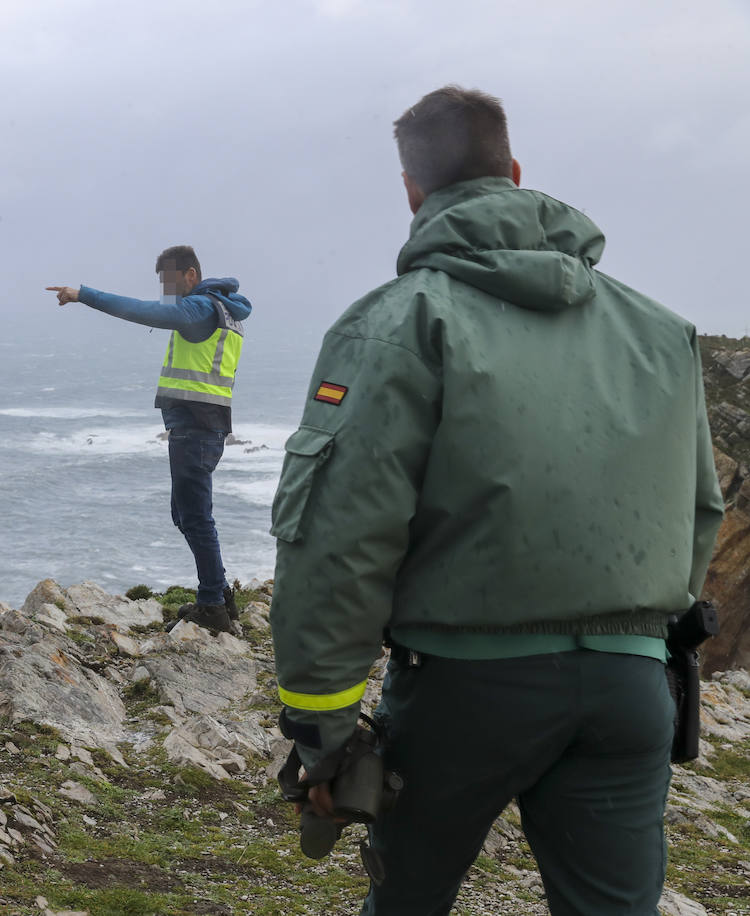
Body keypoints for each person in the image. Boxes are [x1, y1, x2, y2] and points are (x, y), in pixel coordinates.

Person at [269, 86, 724, 914]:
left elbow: (339, 539)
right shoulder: (663, 331)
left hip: (464, 694)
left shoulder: (399, 323)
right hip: (631, 688)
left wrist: (322, 731)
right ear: (515, 173)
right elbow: (700, 512)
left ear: (412, 191)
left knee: (407, 900)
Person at [47, 246, 253, 635]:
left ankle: (213, 605)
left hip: (196, 426)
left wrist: (83, 294)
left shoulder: (200, 310)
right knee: (186, 514)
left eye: (171, 281)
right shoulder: (223, 312)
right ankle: (221, 594)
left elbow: (147, 312)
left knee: (195, 516)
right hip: (204, 425)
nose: (167, 291)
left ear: (190, 275)